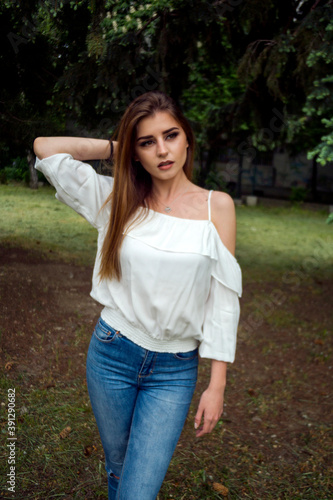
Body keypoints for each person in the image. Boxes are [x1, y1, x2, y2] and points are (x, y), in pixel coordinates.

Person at [33, 90, 242, 500]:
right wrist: (119, 147)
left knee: (139, 490)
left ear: (188, 139)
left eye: (171, 135)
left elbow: (223, 299)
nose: (162, 150)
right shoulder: (117, 199)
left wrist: (216, 384)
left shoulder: (217, 207)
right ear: (135, 151)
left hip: (174, 370)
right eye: (147, 142)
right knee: (119, 465)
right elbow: (46, 149)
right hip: (111, 354)